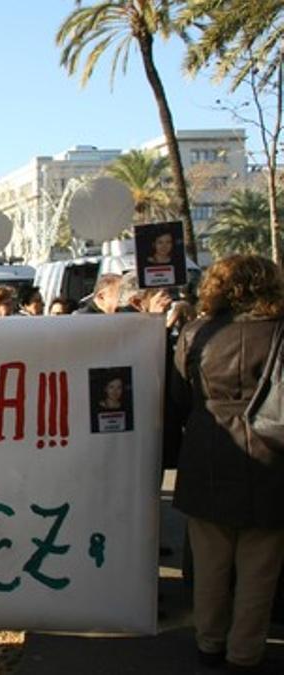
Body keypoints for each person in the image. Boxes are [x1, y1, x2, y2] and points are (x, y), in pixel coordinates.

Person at [169, 255, 284, 670]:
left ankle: (209, 642)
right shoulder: (279, 332)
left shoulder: (196, 333)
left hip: (207, 454)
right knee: (260, 570)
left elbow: (179, 400)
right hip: (272, 459)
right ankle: (245, 652)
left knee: (210, 565)